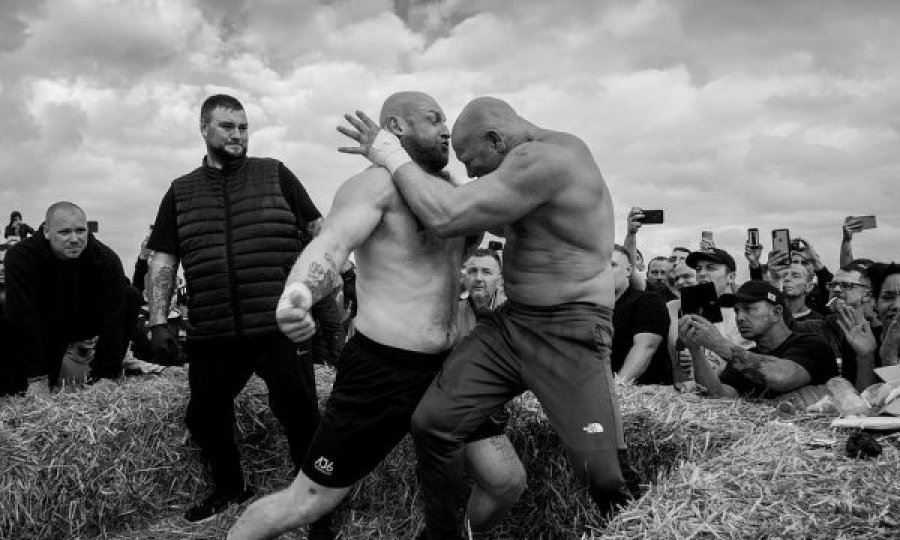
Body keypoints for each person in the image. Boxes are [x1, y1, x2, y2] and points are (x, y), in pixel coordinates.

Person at [227, 92, 524, 540]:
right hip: (382, 371)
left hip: (444, 369)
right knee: (307, 502)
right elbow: (332, 246)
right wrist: (298, 294)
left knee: (505, 481)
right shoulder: (374, 186)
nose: (447, 128)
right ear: (396, 128)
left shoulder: (450, 196)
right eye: (434, 118)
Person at [337, 96, 633, 540]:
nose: (471, 176)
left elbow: (448, 214)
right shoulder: (514, 170)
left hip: (569, 329)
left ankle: (643, 526)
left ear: (497, 140)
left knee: (604, 476)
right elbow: (464, 209)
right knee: (432, 423)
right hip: (513, 324)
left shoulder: (547, 159)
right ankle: (443, 535)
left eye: (474, 165)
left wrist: (390, 154)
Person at [145, 94, 329, 525]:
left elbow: (322, 236)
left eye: (243, 127)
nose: (238, 135)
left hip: (277, 324)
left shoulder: (276, 174)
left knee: (301, 411)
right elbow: (164, 259)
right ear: (204, 129)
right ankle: (230, 487)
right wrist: (157, 320)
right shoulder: (180, 191)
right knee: (204, 415)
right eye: (228, 126)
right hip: (214, 330)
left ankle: (314, 500)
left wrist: (312, 295)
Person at [4, 202, 140, 394]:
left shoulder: (106, 259)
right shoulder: (21, 257)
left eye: (80, 231)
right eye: (65, 232)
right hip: (43, 321)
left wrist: (108, 374)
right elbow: (23, 317)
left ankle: (105, 376)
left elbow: (114, 318)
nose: (75, 239)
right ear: (47, 232)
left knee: (131, 296)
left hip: (83, 318)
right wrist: (36, 377)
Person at [679, 280, 838, 398]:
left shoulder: (813, 345)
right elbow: (718, 397)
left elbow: (782, 377)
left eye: (749, 309)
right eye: (736, 311)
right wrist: (695, 350)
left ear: (776, 313)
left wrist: (718, 344)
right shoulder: (743, 357)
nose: (739, 318)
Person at [610, 245, 672, 384]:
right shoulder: (590, 308)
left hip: (641, 396)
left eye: (612, 265)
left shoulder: (648, 301)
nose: (605, 271)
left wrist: (617, 387)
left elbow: (645, 347)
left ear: (628, 270)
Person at [456, 247, 505, 333]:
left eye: (486, 272)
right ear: (464, 278)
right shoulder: (453, 314)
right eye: (473, 271)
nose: (478, 278)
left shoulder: (512, 315)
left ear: (499, 281)